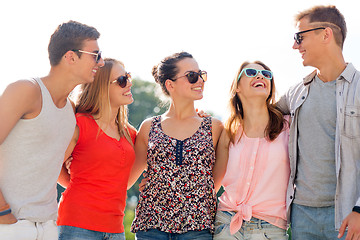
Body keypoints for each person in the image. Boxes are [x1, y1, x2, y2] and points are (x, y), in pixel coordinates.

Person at [0, 21, 103, 239]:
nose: (101, 62)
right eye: (96, 55)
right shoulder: (26, 90)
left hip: (47, 226)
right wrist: (2, 211)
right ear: (71, 57)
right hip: (10, 224)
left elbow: (55, 166)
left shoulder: (70, 110)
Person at [277, 5, 360, 239]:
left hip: (347, 216)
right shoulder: (295, 92)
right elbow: (258, 116)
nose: (295, 45)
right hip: (301, 215)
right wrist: (201, 119)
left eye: (299, 37)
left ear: (326, 34)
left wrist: (359, 210)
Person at [128, 51, 223, 239]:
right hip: (151, 227)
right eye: (192, 76)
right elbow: (128, 178)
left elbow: (214, 184)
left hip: (197, 228)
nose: (200, 81)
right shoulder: (148, 127)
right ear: (170, 84)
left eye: (201, 75)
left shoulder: (214, 127)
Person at [56, 58, 136, 240]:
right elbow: (52, 168)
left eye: (128, 77)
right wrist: (82, 184)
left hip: (116, 228)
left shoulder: (130, 134)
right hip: (77, 224)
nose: (129, 83)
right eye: (122, 81)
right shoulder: (79, 124)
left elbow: (124, 181)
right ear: (101, 87)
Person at [213, 61, 290, 240]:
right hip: (226, 224)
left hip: (271, 227)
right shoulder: (228, 131)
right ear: (237, 86)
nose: (260, 76)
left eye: (266, 75)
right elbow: (212, 184)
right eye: (251, 72)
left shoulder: (289, 126)